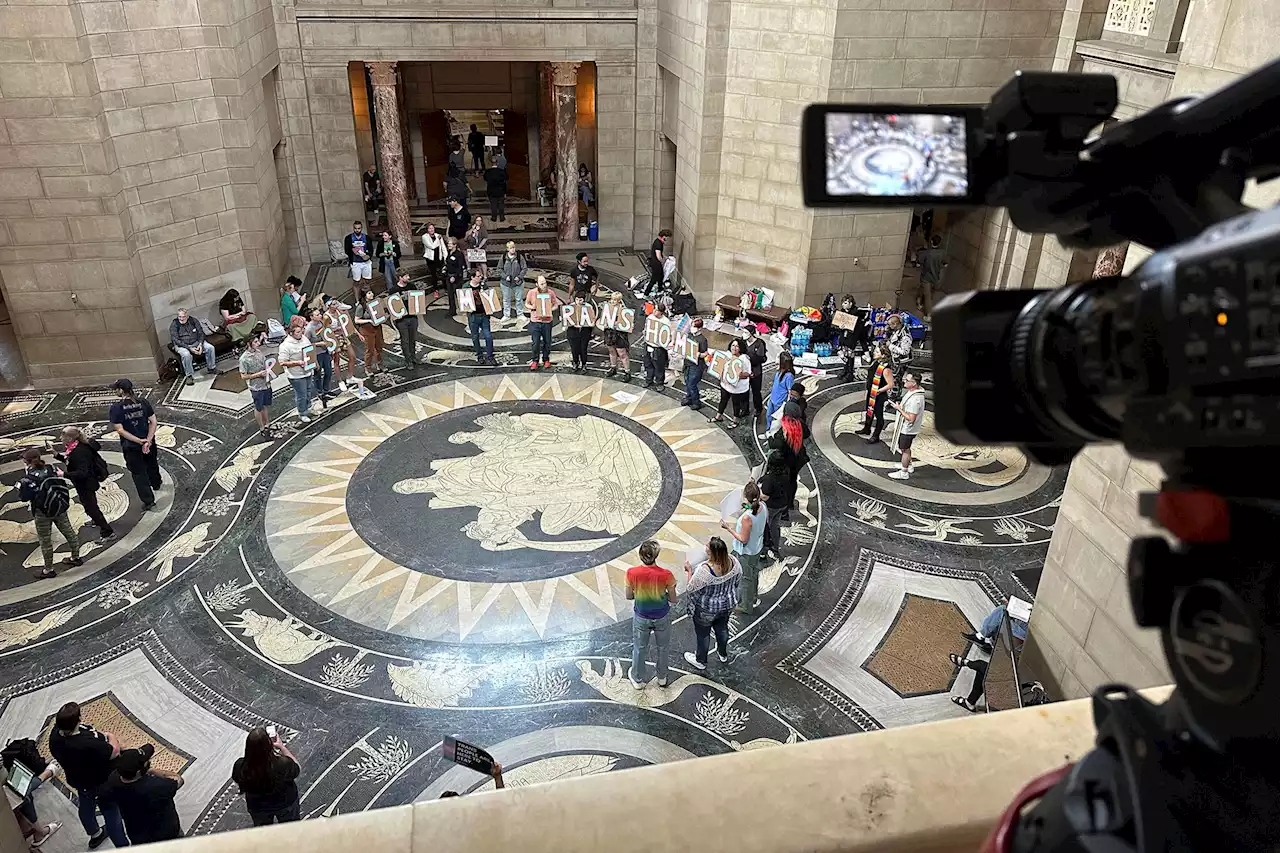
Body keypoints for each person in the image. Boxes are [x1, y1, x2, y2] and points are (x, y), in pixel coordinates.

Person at [48, 701, 129, 850]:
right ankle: (123, 846)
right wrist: (112, 737)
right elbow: (114, 752)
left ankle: (95, 834)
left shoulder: (55, 737)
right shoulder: (85, 744)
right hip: (101, 782)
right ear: (77, 721)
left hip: (79, 780)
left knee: (86, 806)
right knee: (111, 812)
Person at [18, 449, 83, 580]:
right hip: (59, 506)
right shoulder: (51, 468)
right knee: (69, 531)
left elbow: (24, 497)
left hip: (42, 512)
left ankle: (49, 569)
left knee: (45, 540)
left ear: (26, 462)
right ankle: (75, 557)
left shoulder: (27, 479)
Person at [98, 746, 184, 845]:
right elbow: (179, 780)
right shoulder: (157, 786)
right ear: (139, 771)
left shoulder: (114, 780)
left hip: (138, 838)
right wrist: (153, 771)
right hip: (168, 835)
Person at [682, 537, 742, 671]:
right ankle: (722, 653)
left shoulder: (705, 571)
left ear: (711, 552)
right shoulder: (734, 562)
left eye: (707, 546)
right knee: (722, 629)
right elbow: (738, 580)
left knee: (703, 634)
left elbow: (691, 588)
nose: (705, 546)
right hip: (727, 605)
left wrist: (690, 571)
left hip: (706, 610)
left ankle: (700, 660)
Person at [625, 539, 677, 689]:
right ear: (656, 556)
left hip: (641, 616)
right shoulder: (667, 575)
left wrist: (641, 594)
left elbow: (629, 596)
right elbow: (673, 599)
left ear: (641, 556)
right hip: (662, 616)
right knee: (663, 647)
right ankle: (662, 677)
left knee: (640, 647)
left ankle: (638, 678)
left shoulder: (632, 573)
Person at [231, 728, 301, 826]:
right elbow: (297, 767)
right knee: (291, 827)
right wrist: (281, 747)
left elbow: (237, 779)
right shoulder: (282, 764)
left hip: (258, 807)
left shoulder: (240, 766)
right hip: (285, 803)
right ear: (268, 745)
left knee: (263, 830)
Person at [56, 426, 115, 544]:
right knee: (89, 505)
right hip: (85, 483)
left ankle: (107, 532)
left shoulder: (79, 452)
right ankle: (96, 520)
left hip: (86, 484)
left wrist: (64, 474)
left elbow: (82, 472)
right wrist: (56, 455)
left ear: (70, 438)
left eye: (63, 436)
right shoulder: (76, 447)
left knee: (92, 508)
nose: (60, 438)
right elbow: (71, 461)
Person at [109, 378, 161, 510]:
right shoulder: (143, 402)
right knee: (152, 463)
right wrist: (148, 440)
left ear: (121, 390)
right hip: (149, 442)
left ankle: (149, 501)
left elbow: (120, 430)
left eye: (116, 389)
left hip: (132, 446)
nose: (115, 391)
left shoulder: (117, 408)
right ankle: (156, 483)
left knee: (138, 473)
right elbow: (153, 422)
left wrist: (139, 441)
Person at [722, 481, 766, 615]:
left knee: (746, 579)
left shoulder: (747, 518)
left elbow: (743, 539)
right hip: (757, 547)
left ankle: (746, 606)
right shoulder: (762, 506)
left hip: (746, 552)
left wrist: (728, 528)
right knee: (754, 573)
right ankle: (753, 597)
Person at [887, 370, 926, 480]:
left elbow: (911, 419)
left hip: (908, 429)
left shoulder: (915, 399)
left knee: (904, 449)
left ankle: (904, 472)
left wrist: (899, 409)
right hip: (908, 429)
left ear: (914, 383)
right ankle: (908, 465)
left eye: (907, 380)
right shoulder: (916, 391)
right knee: (906, 449)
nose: (904, 381)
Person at [278, 320, 317, 424]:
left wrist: (314, 362)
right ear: (291, 333)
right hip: (296, 375)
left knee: (308, 391)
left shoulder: (304, 338)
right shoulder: (285, 346)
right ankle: (302, 412)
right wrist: (297, 363)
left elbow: (310, 350)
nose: (301, 333)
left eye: (301, 331)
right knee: (301, 394)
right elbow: (282, 362)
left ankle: (308, 407)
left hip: (307, 371)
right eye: (298, 332)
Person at [856, 343, 894, 443]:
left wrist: (879, 391)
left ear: (883, 355)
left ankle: (876, 436)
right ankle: (867, 428)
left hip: (879, 395)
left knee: (878, 415)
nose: (874, 353)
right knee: (869, 410)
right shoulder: (876, 362)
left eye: (877, 352)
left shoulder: (886, 369)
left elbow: (890, 384)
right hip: (871, 392)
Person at [169, 308, 217, 386]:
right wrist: (189, 348)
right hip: (182, 345)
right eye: (179, 316)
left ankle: (211, 368)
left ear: (187, 316)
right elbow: (176, 340)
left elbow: (201, 333)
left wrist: (200, 344)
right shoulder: (174, 325)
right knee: (186, 355)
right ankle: (189, 375)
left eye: (183, 316)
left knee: (210, 348)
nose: (181, 318)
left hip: (196, 342)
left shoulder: (193, 321)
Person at [238, 332, 273, 434]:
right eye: (256, 342)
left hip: (265, 383)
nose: (258, 343)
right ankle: (261, 427)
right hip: (256, 386)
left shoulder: (259, 352)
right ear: (249, 344)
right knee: (258, 407)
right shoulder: (244, 359)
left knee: (265, 405)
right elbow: (243, 376)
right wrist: (258, 375)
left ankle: (267, 424)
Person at [758, 457, 792, 560]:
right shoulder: (786, 474)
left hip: (771, 507)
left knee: (764, 528)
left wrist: (756, 492)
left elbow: (765, 496)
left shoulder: (769, 479)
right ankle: (775, 547)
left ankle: (763, 550)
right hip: (782, 504)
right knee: (775, 526)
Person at [712, 338, 752, 426]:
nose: (734, 348)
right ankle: (718, 416)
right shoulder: (727, 355)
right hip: (725, 385)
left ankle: (735, 420)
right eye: (733, 345)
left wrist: (738, 375)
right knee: (723, 400)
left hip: (737, 387)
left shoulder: (744, 359)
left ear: (740, 348)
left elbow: (748, 373)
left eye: (737, 346)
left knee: (736, 404)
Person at [525, 275, 560, 370]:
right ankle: (535, 360)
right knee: (535, 342)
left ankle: (546, 359)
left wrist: (550, 309)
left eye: (545, 283)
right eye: (542, 283)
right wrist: (532, 307)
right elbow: (527, 303)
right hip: (535, 321)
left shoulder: (551, 293)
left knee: (547, 342)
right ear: (537, 284)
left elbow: (556, 304)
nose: (544, 285)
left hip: (547, 321)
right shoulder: (531, 293)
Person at [325, 298, 357, 393]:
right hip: (334, 338)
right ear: (329, 306)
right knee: (336, 360)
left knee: (352, 356)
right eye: (333, 304)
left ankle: (350, 376)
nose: (336, 306)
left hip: (343, 336)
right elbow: (326, 330)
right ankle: (340, 381)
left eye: (336, 304)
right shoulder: (326, 317)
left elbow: (347, 322)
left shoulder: (339, 312)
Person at [389, 271, 420, 368]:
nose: (408, 277)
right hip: (401, 319)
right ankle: (408, 360)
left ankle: (413, 357)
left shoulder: (412, 286)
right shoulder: (393, 290)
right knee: (405, 340)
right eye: (406, 276)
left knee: (413, 338)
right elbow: (391, 305)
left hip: (413, 317)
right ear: (400, 277)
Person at [466, 269, 496, 365]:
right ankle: (479, 356)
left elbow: (489, 298)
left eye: (480, 276)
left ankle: (490, 356)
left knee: (488, 336)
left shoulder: (483, 285)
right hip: (473, 316)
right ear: (472, 277)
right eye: (478, 276)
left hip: (484, 315)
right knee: (475, 337)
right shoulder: (466, 287)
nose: (480, 278)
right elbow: (463, 301)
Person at [304, 306, 336, 397]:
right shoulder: (309, 329)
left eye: (319, 314)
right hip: (317, 354)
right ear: (312, 317)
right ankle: (319, 392)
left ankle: (326, 389)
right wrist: (318, 344)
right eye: (317, 315)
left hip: (325, 351)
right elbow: (306, 344)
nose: (320, 316)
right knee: (318, 373)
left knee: (329, 371)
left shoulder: (322, 323)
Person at [353, 288, 385, 376]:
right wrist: (369, 321)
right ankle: (368, 368)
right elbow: (356, 320)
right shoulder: (361, 306)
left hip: (377, 328)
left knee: (379, 347)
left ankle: (380, 364)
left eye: (371, 292)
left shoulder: (375, 303)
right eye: (369, 293)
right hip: (367, 330)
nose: (372, 294)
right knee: (369, 350)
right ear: (364, 295)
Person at [916, 234, 948, 316]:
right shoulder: (942, 253)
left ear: (931, 241)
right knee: (929, 292)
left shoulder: (926, 253)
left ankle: (928, 314)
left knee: (927, 295)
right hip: (935, 277)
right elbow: (945, 264)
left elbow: (918, 263)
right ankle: (919, 301)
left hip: (926, 276)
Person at [681, 317, 709, 409]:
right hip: (688, 363)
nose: (692, 328)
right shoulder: (690, 335)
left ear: (699, 328)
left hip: (696, 366)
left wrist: (698, 354)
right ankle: (689, 397)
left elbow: (705, 353)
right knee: (687, 381)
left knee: (692, 384)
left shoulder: (702, 340)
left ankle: (696, 402)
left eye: (694, 327)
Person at [497, 241, 527, 325]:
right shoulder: (503, 257)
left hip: (518, 283)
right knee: (506, 299)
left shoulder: (519, 257)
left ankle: (520, 314)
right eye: (511, 248)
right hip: (505, 283)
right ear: (507, 249)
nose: (513, 249)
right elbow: (499, 269)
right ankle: (506, 315)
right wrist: (505, 276)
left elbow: (524, 268)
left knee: (519, 299)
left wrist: (520, 276)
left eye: (514, 247)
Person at [603, 292, 630, 379]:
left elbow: (627, 323)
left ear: (619, 300)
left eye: (615, 300)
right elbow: (603, 319)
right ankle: (613, 367)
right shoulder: (608, 308)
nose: (612, 301)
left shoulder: (623, 310)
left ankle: (627, 372)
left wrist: (617, 324)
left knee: (622, 353)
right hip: (609, 332)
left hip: (619, 333)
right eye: (612, 299)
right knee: (611, 351)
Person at [764, 351, 795, 427]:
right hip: (773, 399)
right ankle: (768, 431)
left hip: (779, 402)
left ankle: (773, 435)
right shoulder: (779, 371)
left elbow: (790, 391)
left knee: (776, 421)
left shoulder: (788, 376)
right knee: (768, 416)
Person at [642, 302, 669, 389]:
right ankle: (649, 379)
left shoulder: (666, 322)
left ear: (661, 312)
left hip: (658, 347)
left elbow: (667, 335)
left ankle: (659, 383)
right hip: (648, 344)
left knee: (659, 366)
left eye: (656, 310)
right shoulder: (650, 317)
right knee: (648, 363)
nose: (654, 311)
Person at [566, 292, 593, 373]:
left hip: (584, 331)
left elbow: (592, 319)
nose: (578, 301)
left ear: (584, 300)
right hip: (572, 331)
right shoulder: (570, 307)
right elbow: (566, 318)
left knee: (583, 349)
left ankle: (584, 364)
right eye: (577, 299)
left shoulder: (588, 307)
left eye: (580, 300)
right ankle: (575, 363)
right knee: (574, 348)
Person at [745, 325, 767, 419]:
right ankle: (744, 409)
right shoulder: (742, 342)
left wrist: (750, 358)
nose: (744, 334)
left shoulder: (759, 343)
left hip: (755, 371)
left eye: (746, 332)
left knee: (756, 392)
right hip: (745, 371)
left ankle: (758, 409)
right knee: (744, 391)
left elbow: (761, 358)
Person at [443, 236, 466, 316]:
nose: (448, 245)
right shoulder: (449, 253)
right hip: (448, 276)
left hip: (456, 278)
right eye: (448, 244)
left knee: (459, 294)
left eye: (450, 244)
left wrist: (455, 276)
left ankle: (465, 309)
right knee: (450, 295)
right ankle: (452, 311)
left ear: (455, 245)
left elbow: (460, 267)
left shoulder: (459, 254)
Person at [421, 223, 446, 290]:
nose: (431, 229)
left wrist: (446, 257)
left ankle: (446, 289)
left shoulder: (438, 235)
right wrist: (438, 239)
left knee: (443, 273)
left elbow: (443, 247)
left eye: (432, 228)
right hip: (430, 259)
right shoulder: (424, 237)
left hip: (439, 257)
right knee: (434, 275)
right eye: (430, 228)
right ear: (427, 230)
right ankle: (435, 290)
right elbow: (432, 246)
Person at [646, 229, 671, 296]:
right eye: (667, 237)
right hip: (656, 264)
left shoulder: (658, 241)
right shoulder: (658, 244)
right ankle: (646, 293)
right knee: (654, 279)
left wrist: (665, 257)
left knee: (661, 276)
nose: (667, 239)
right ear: (664, 236)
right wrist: (663, 261)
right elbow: (658, 256)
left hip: (656, 263)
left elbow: (660, 253)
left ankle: (660, 289)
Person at [466, 215, 489, 281]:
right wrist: (472, 229)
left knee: (482, 262)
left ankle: (485, 276)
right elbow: (467, 236)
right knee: (477, 263)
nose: (479, 222)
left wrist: (479, 247)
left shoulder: (483, 229)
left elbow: (485, 238)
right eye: (477, 220)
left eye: (480, 220)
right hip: (473, 248)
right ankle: (481, 275)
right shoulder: (472, 228)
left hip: (481, 248)